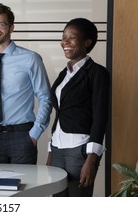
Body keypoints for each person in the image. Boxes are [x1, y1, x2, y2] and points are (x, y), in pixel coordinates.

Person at [0, 2, 51, 164]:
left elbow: (45, 97)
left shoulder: (31, 58)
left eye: (1, 24)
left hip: (22, 136)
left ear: (11, 28)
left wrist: (34, 134)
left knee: (24, 188)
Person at [46, 18, 110, 197]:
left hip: (80, 149)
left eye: (71, 38)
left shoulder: (98, 73)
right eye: (63, 37)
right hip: (58, 148)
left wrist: (92, 158)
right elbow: (60, 113)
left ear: (87, 42)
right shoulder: (63, 75)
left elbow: (100, 117)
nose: (64, 42)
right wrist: (51, 149)